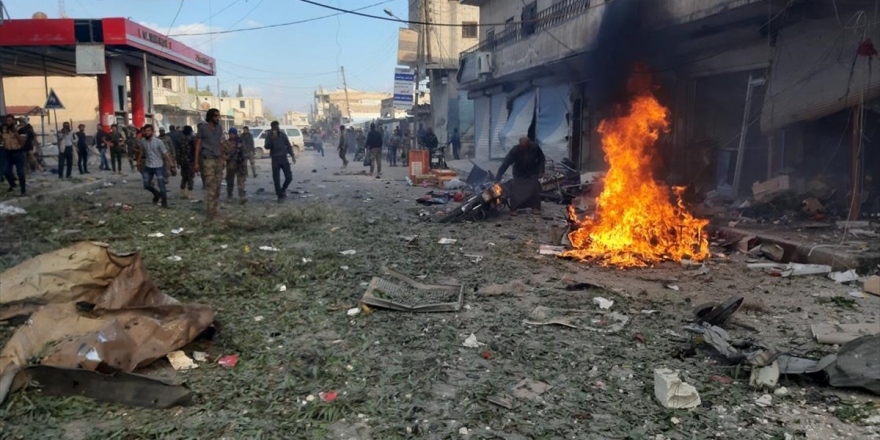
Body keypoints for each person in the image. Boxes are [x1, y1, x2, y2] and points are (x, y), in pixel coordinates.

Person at [495, 136, 546, 215]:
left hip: (532, 172)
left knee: (535, 189)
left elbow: (542, 159)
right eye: (521, 147)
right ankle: (513, 208)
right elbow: (505, 164)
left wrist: (541, 171)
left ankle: (535, 208)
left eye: (524, 147)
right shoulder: (515, 150)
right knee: (516, 190)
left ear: (528, 145)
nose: (522, 149)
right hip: (519, 173)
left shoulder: (534, 147)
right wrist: (498, 177)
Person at [194, 108, 225, 219]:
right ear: (210, 117)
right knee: (211, 186)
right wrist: (196, 162)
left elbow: (219, 143)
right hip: (208, 160)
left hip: (218, 159)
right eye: (216, 116)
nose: (218, 118)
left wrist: (223, 158)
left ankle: (214, 209)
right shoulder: (203, 128)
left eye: (218, 116)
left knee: (218, 186)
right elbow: (198, 145)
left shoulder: (219, 128)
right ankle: (210, 212)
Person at [137, 124, 176, 208]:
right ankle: (156, 194)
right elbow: (141, 151)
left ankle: (164, 202)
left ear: (152, 132)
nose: (146, 132)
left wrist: (172, 165)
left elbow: (166, 154)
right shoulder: (143, 141)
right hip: (148, 166)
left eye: (148, 131)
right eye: (145, 131)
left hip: (158, 166)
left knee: (161, 184)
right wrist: (139, 161)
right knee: (146, 184)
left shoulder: (158, 142)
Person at [264, 120, 295, 203]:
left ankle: (283, 189)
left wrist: (292, 155)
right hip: (275, 158)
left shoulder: (283, 135)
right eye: (274, 128)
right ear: (271, 128)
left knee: (289, 177)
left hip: (284, 158)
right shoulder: (269, 136)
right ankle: (279, 196)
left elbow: (288, 145)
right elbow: (266, 147)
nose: (276, 129)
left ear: (278, 127)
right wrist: (272, 139)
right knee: (276, 179)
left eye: (277, 127)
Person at [2, 115, 27, 195]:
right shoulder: (4, 130)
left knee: (20, 172)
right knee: (6, 171)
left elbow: (22, 141)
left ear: (13, 121)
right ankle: (13, 184)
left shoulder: (20, 129)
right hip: (8, 153)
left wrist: (15, 133)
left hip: (18, 153)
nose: (8, 122)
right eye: (7, 121)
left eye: (10, 121)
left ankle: (23, 190)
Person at [222, 127, 248, 204]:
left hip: (240, 164)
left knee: (241, 181)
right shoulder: (225, 143)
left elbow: (245, 152)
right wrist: (225, 157)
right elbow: (221, 152)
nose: (232, 135)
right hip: (230, 165)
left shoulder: (240, 141)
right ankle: (229, 196)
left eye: (233, 134)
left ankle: (242, 197)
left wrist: (241, 148)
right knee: (230, 181)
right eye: (230, 134)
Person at [176, 125, 196, 199]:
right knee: (190, 177)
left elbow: (178, 152)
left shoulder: (180, 140)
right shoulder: (192, 139)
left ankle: (182, 192)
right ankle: (190, 194)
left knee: (184, 177)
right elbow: (195, 151)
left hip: (183, 161)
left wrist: (178, 162)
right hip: (191, 161)